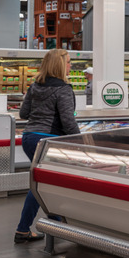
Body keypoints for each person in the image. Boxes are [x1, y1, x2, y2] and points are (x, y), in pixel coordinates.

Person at [15, 49, 80, 243]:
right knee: (40, 185)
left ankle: (56, 221)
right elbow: (68, 121)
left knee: (45, 181)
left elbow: (24, 114)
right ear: (59, 65)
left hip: (29, 138)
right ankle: (23, 229)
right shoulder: (63, 89)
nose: (70, 66)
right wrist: (81, 142)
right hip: (48, 141)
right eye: (68, 62)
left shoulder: (35, 86)